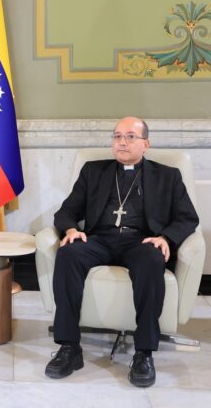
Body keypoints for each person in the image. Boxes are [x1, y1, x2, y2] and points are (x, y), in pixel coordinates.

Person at [45, 116, 199, 387]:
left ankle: (144, 353)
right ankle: (69, 348)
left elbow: (188, 218)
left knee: (152, 258)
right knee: (68, 253)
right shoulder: (93, 171)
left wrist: (165, 238)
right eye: (117, 136)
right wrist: (70, 230)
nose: (122, 142)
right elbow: (67, 211)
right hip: (100, 239)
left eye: (130, 136)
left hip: (141, 242)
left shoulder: (168, 176)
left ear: (146, 144)